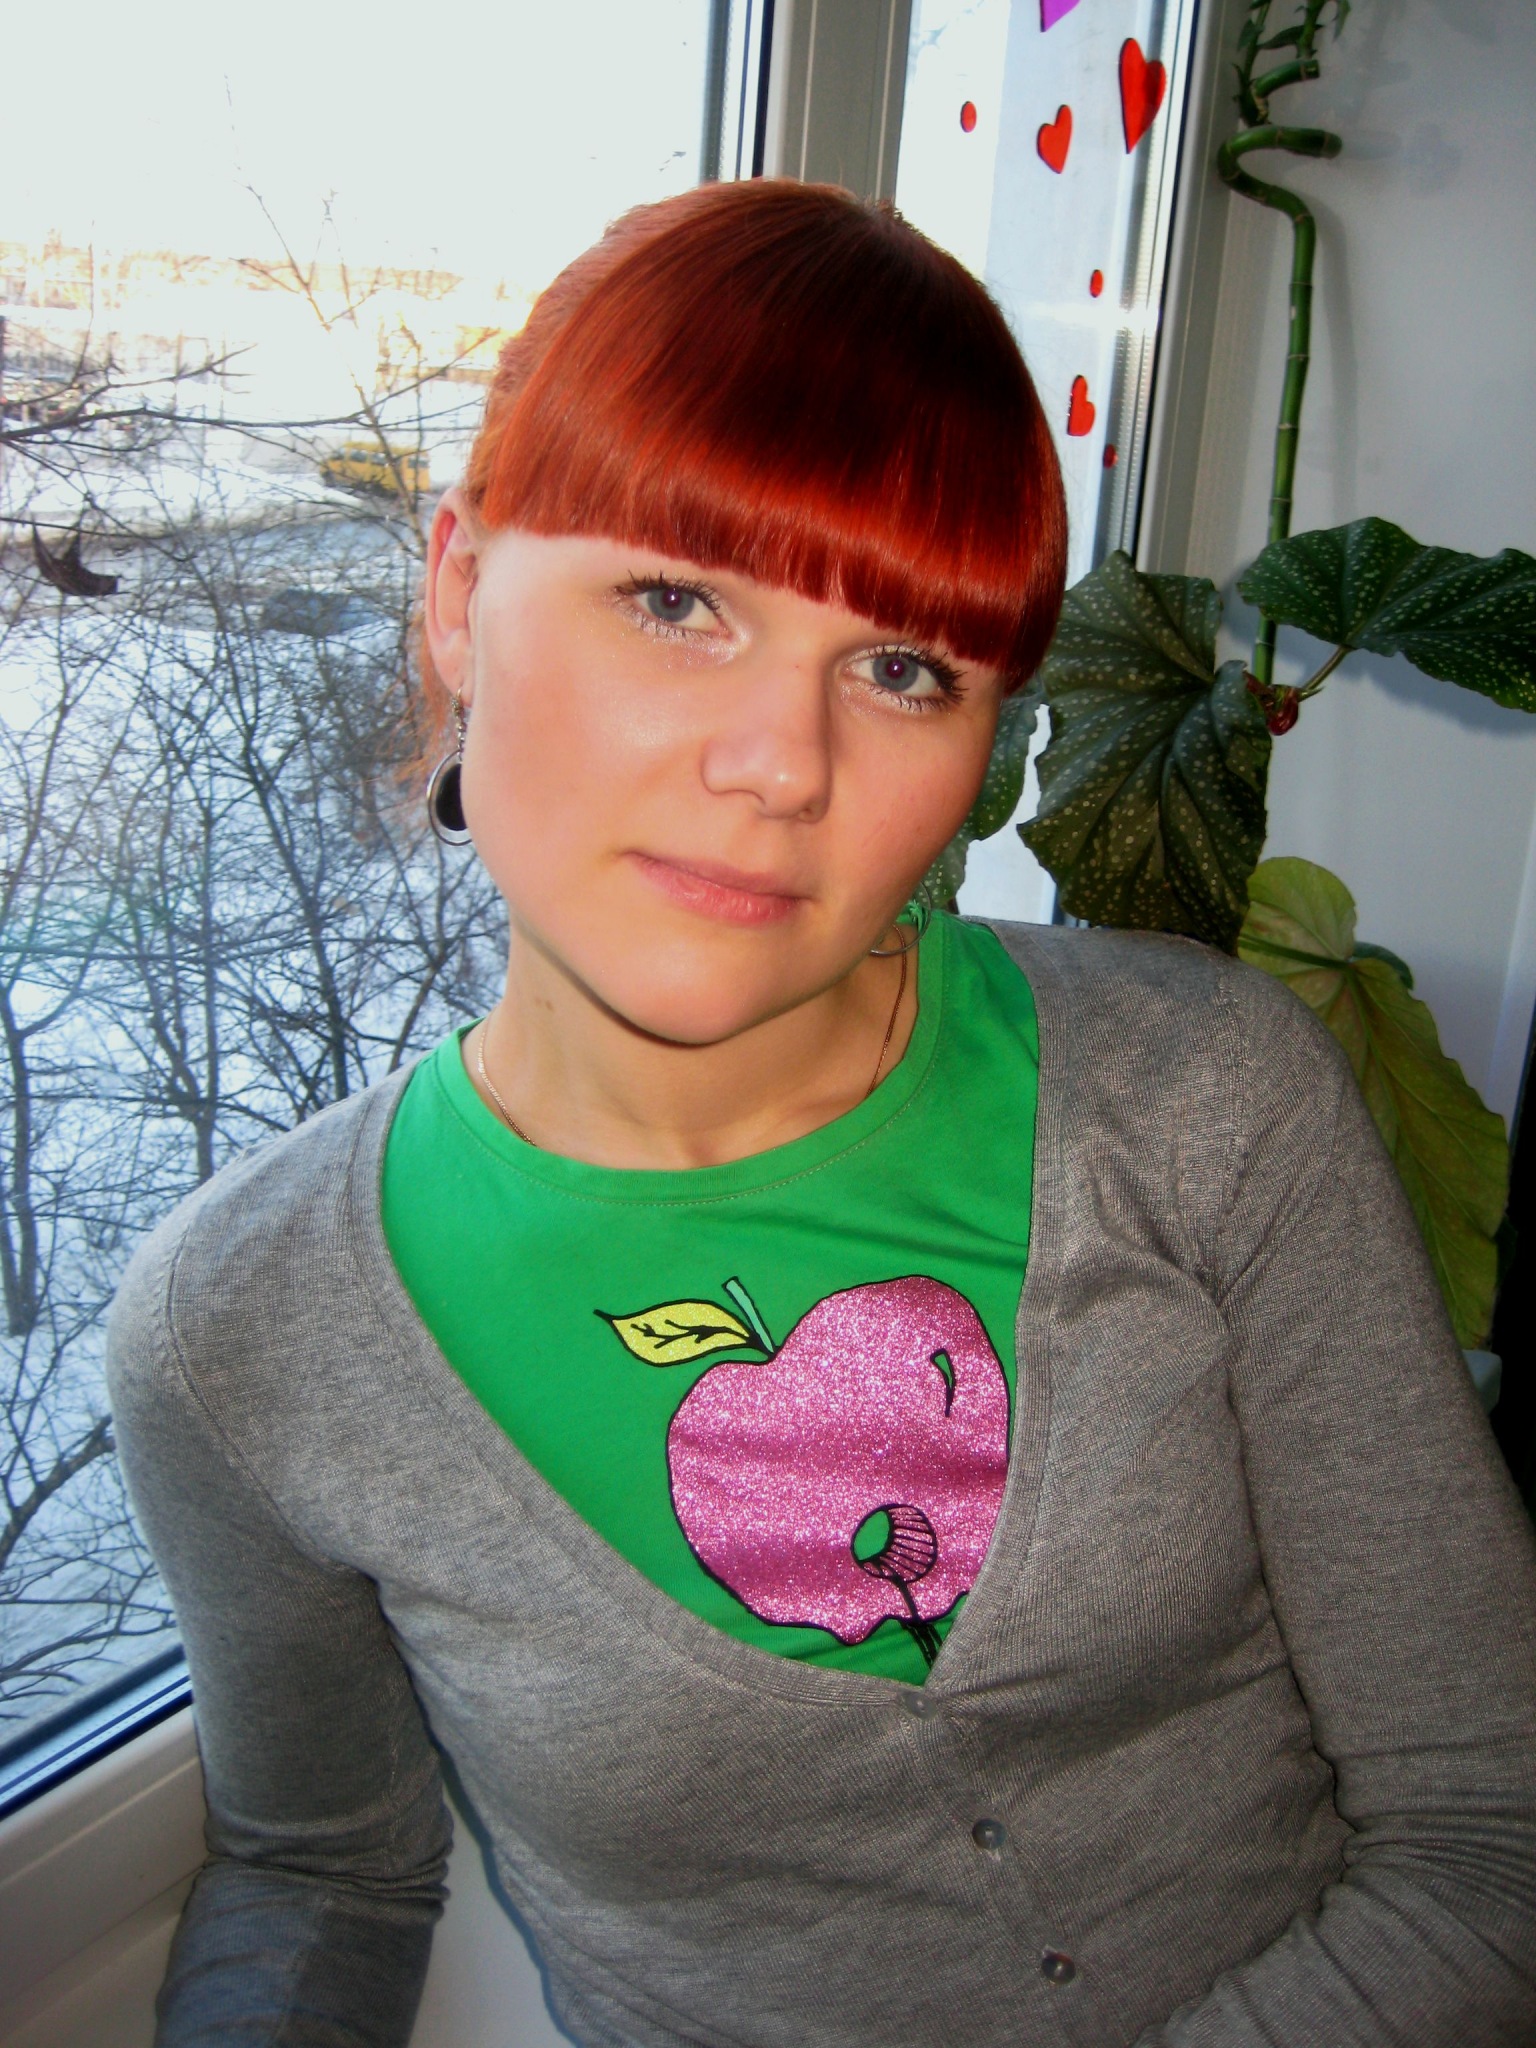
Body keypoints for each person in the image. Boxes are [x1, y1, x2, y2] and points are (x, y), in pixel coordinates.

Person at [106, 180, 1536, 2048]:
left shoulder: (1200, 1098)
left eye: (902, 669)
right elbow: (319, 1876)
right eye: (676, 601)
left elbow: (1490, 1830)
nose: (785, 765)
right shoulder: (239, 1329)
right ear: (457, 596)